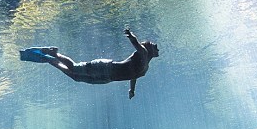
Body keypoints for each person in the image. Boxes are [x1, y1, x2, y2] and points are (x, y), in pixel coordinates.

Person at [19, 28, 159, 99]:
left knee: (76, 77)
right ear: (148, 49)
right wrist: (130, 35)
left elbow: (132, 74)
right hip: (104, 67)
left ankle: (50, 60)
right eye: (154, 44)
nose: (156, 46)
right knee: (73, 67)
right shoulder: (144, 53)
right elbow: (136, 43)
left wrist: (132, 89)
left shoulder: (145, 66)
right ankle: (54, 53)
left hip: (107, 78)